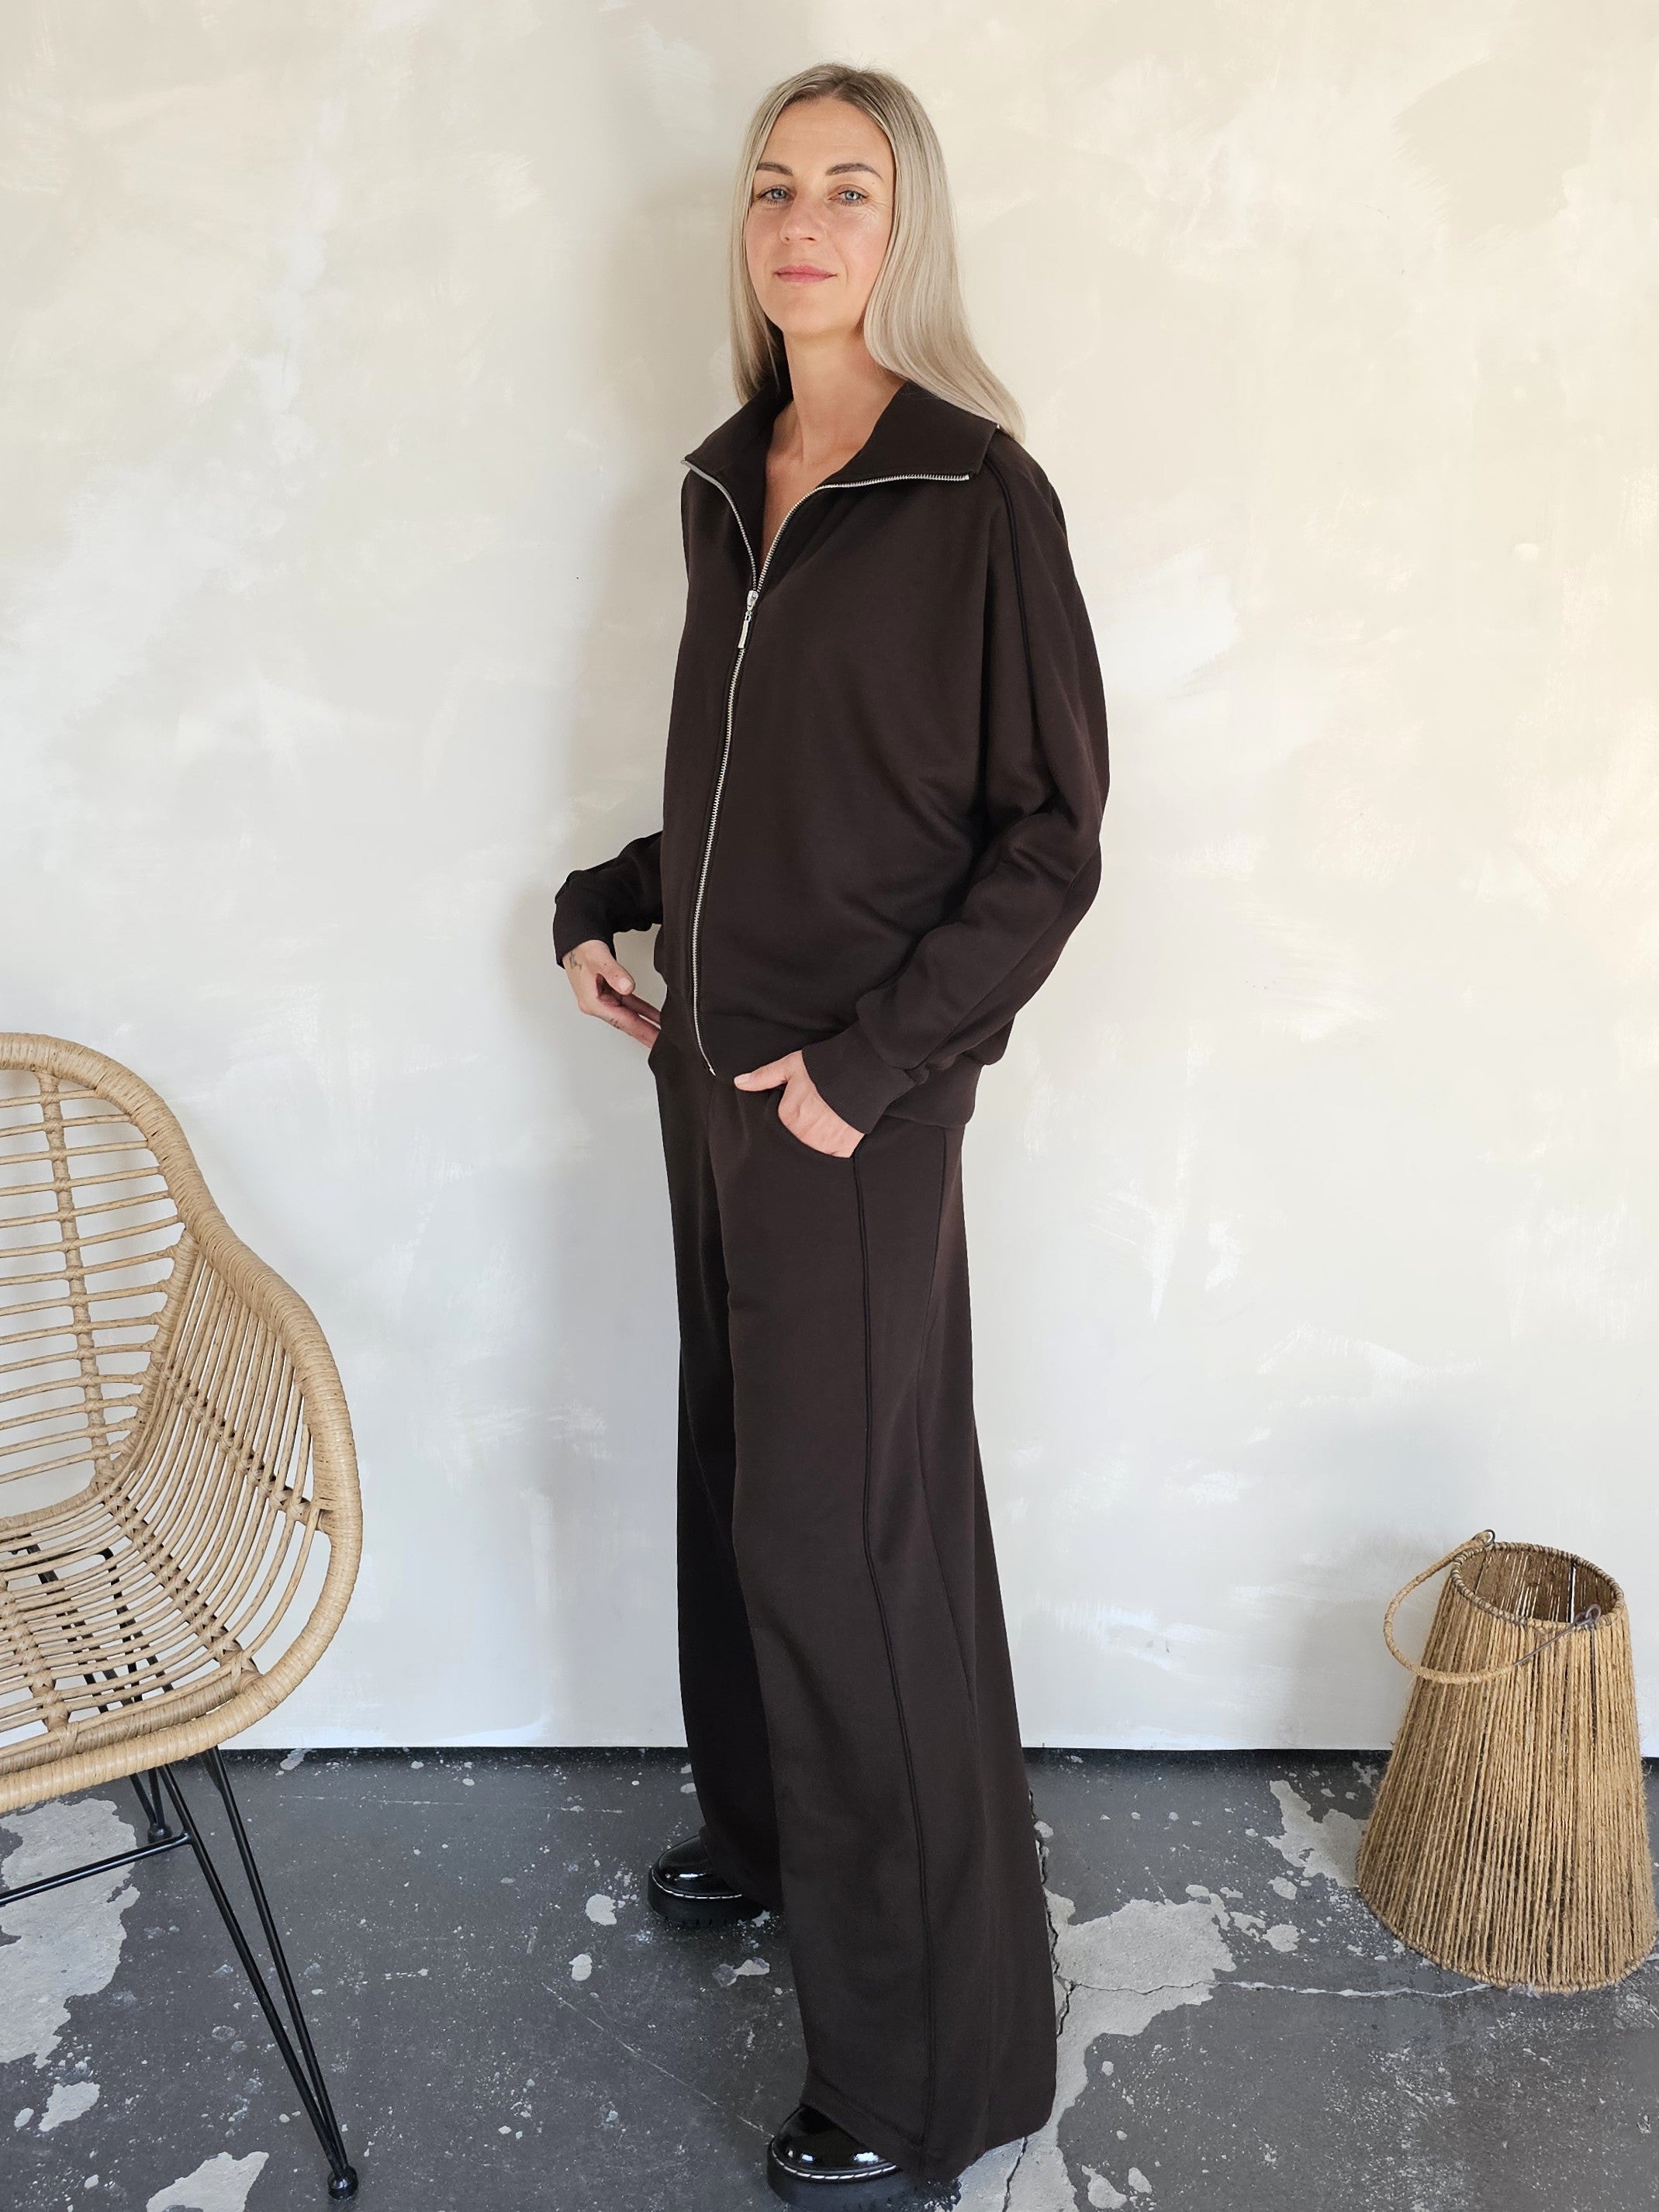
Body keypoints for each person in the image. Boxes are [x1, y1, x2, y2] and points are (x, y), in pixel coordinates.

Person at [554, 60, 1109, 2209]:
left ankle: (927, 2068)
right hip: (711, 1082)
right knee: (743, 1486)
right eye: (776, 186)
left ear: (905, 228)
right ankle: (771, 1827)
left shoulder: (977, 492)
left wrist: (865, 1072)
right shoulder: (734, 478)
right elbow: (767, 789)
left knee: (850, 1556)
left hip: (848, 1114)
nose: (803, 222)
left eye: (849, 190)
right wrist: (612, 898)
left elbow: (1046, 841)